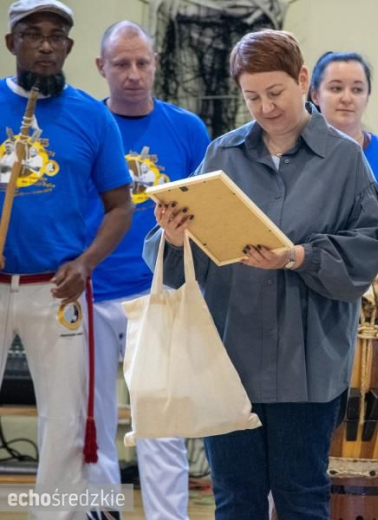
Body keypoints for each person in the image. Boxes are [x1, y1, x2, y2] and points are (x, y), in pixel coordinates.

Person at [143, 29, 378, 520]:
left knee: (301, 496)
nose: (265, 107)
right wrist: (173, 237)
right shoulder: (222, 155)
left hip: (309, 367)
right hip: (228, 360)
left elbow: (369, 248)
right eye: (252, 97)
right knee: (235, 498)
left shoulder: (345, 160)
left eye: (275, 93)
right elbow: (173, 261)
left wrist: (297, 256)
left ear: (303, 80)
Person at [0, 1, 133, 519]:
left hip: (58, 287)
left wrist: (87, 262)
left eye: (57, 35)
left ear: (71, 48)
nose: (46, 45)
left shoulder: (92, 115)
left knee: (65, 421)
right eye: (33, 34)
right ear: (12, 44)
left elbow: (120, 207)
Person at [84, 21, 211, 520]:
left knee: (161, 425)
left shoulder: (187, 129)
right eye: (121, 64)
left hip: (158, 293)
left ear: (156, 63)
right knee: (89, 424)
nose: (134, 74)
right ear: (101, 67)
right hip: (91, 293)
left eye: (142, 62)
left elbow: (205, 210)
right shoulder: (86, 123)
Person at [309, 51, 378, 235]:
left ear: (367, 96)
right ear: (315, 95)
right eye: (336, 88)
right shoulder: (298, 152)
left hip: (376, 263)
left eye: (357, 90)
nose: (347, 98)